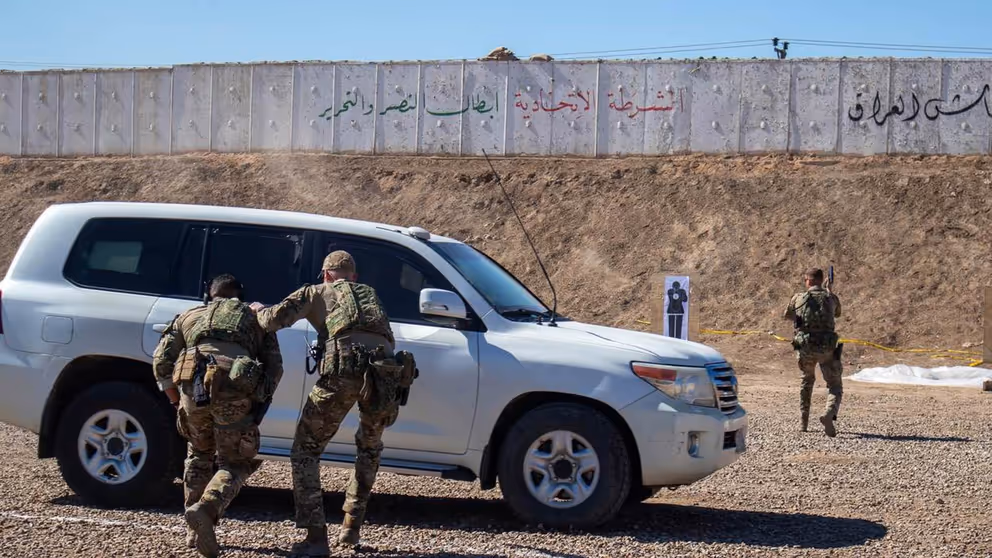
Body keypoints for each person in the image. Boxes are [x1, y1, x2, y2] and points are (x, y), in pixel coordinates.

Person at [250, 250, 416, 555]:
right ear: (354, 277)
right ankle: (352, 529)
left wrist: (258, 309)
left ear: (326, 275)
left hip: (344, 372)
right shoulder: (371, 294)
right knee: (369, 448)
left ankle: (315, 538)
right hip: (385, 375)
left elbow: (272, 320)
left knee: (305, 450)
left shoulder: (316, 291)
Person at [152, 274, 284, 558]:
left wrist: (177, 402)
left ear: (209, 295)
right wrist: (259, 401)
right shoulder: (254, 318)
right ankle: (207, 507)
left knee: (199, 454)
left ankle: (191, 530)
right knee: (236, 462)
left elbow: (161, 361)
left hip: (191, 389)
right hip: (234, 390)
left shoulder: (188, 316)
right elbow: (275, 366)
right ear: (240, 295)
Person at [783, 268, 843, 437]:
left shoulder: (798, 297)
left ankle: (804, 422)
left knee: (806, 381)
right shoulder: (831, 297)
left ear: (808, 281)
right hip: (828, 348)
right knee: (835, 384)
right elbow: (837, 313)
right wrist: (829, 291)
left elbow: (787, 315)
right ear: (822, 280)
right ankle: (829, 414)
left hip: (805, 347)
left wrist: (801, 318)